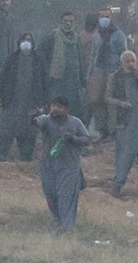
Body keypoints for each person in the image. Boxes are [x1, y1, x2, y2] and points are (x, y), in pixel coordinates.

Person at [34, 97, 94, 232]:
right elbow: (37, 123)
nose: (55, 109)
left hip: (69, 166)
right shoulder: (46, 120)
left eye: (59, 107)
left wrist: (73, 139)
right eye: (54, 105)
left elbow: (87, 139)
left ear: (66, 110)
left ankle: (67, 227)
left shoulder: (75, 122)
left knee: (65, 196)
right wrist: (33, 117)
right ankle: (58, 221)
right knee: (50, 195)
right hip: (48, 166)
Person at [108, 50, 138, 199]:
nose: (130, 64)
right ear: (122, 62)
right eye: (127, 61)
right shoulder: (115, 77)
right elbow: (107, 97)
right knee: (126, 155)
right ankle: (117, 185)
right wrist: (121, 104)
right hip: (126, 122)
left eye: (132, 61)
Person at [0, 32, 42, 161]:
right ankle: (1, 155)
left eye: (29, 40)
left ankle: (25, 159)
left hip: (30, 103)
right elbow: (3, 78)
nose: (27, 43)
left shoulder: (38, 60)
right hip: (12, 101)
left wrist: (43, 101)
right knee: (6, 129)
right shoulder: (12, 59)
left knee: (29, 132)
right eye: (24, 40)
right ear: (19, 42)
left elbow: (44, 82)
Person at [83, 7, 128, 137]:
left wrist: (123, 72)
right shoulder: (97, 34)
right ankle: (102, 130)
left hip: (113, 71)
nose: (104, 19)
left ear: (111, 18)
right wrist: (89, 74)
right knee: (97, 101)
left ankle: (113, 130)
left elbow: (123, 54)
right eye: (102, 16)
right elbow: (93, 55)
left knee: (111, 101)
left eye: (107, 16)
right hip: (98, 71)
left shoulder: (118, 34)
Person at [38, 11, 85, 120]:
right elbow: (42, 55)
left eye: (71, 21)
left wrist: (82, 79)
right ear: (61, 22)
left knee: (73, 107)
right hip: (57, 79)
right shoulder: (53, 36)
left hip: (73, 80)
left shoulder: (77, 39)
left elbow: (80, 59)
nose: (68, 23)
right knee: (56, 105)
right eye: (65, 21)